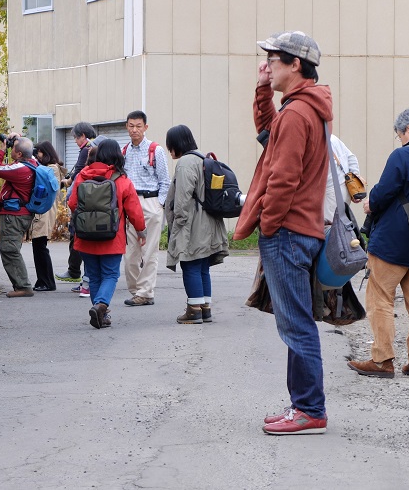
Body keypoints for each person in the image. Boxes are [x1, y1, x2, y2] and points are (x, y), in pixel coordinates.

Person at [234, 31, 332, 435]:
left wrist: (269, 225)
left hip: (288, 232)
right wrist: (262, 89)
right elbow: (267, 133)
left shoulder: (296, 114)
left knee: (296, 325)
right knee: (297, 321)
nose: (267, 65)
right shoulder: (305, 108)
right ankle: (303, 405)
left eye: (274, 60)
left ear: (295, 65)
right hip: (300, 230)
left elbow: (283, 178)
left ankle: (310, 409)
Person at [348, 108, 409, 379]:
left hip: (392, 241)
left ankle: (382, 361)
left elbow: (384, 191)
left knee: (380, 299)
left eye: (399, 134)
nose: (399, 139)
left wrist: (370, 203)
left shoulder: (404, 155)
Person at [68, 139, 146, 329]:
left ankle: (100, 313)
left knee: (94, 276)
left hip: (85, 236)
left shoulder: (83, 176)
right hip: (112, 237)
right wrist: (141, 231)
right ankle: (101, 305)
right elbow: (134, 210)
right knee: (110, 274)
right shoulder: (121, 180)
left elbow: (72, 203)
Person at [163, 125, 229, 324]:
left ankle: (193, 311)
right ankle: (205, 308)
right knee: (202, 267)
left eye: (170, 145)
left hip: (193, 223)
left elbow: (182, 199)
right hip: (209, 221)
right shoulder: (202, 159)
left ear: (177, 144)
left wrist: (178, 224)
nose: (169, 150)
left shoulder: (185, 163)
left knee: (190, 264)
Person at [122, 110, 170, 306]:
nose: (134, 130)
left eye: (138, 126)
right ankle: (136, 291)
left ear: (145, 127)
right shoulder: (124, 151)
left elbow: (165, 181)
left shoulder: (155, 150)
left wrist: (159, 204)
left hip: (150, 201)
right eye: (131, 126)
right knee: (130, 253)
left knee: (149, 251)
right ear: (126, 127)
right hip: (130, 204)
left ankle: (145, 292)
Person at [0, 133, 38, 298]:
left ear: (19, 154)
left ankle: (23, 287)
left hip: (14, 215)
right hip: (22, 214)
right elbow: (27, 150)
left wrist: (2, 150)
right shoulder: (33, 163)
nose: (11, 150)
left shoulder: (21, 169)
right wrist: (19, 140)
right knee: (12, 249)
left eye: (14, 149)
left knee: (9, 250)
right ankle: (21, 285)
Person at [55, 122, 96, 294]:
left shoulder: (87, 150)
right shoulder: (96, 147)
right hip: (95, 203)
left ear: (83, 136)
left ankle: (78, 274)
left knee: (79, 238)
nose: (74, 141)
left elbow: (79, 171)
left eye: (75, 137)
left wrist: (67, 182)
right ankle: (84, 275)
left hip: (83, 202)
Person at [29, 141, 65, 292]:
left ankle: (48, 282)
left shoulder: (52, 168)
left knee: (40, 247)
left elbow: (40, 175)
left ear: (46, 153)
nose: (37, 155)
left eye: (38, 152)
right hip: (43, 211)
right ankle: (42, 280)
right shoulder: (49, 167)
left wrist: (31, 160)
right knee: (38, 247)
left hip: (45, 212)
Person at [324, 133, 364, 222]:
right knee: (341, 224)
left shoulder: (318, 140)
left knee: (330, 226)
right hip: (344, 189)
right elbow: (352, 158)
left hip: (329, 194)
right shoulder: (332, 138)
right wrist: (354, 182)